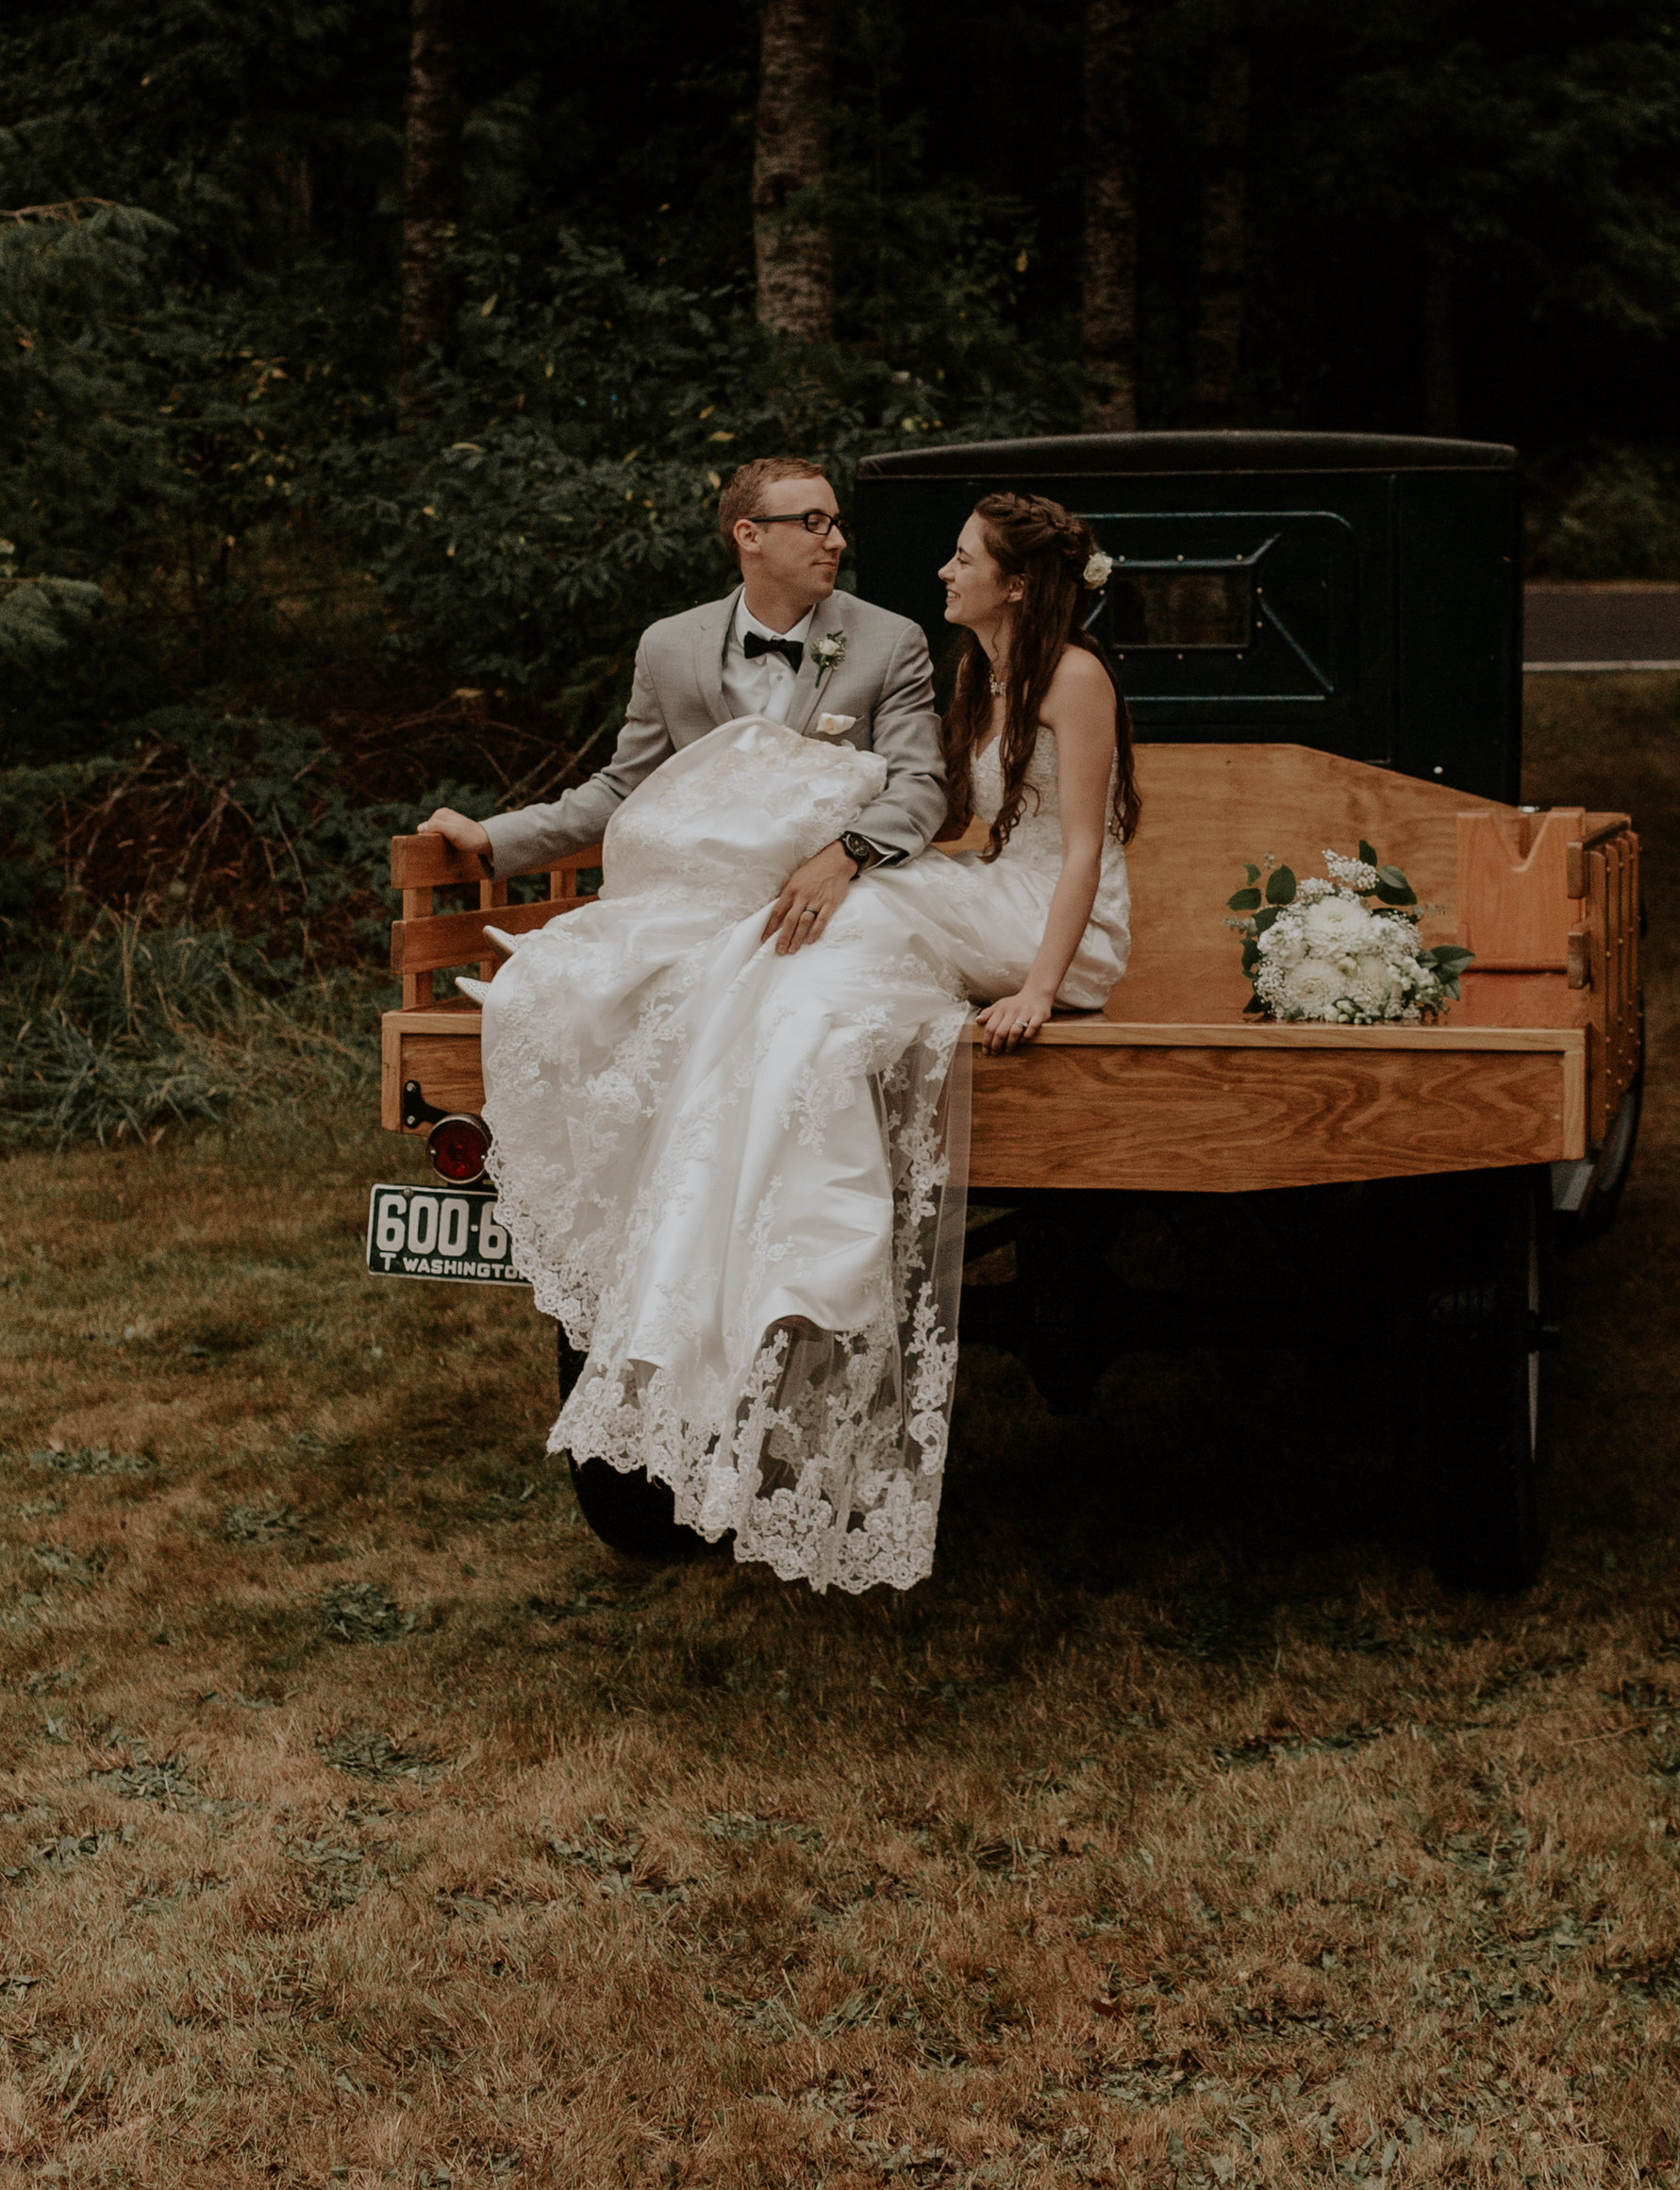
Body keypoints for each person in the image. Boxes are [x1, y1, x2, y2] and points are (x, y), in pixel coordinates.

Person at [465, 488, 1141, 1596]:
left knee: (835, 919)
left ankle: (822, 1227)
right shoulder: (977, 671)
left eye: (963, 556)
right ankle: (761, 1198)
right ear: (749, 532)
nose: (939, 570)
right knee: (804, 944)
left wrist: (1041, 986)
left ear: (1015, 582)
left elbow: (1076, 852)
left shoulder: (1072, 674)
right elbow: (930, 804)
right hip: (979, 890)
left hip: (1048, 923)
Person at [415, 455, 947, 939]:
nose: (835, 541)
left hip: (835, 894)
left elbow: (919, 784)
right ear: (749, 535)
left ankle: (564, 971)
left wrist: (843, 857)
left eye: (835, 524)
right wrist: (490, 833)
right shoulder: (667, 647)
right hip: (708, 898)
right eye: (813, 522)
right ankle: (557, 978)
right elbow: (624, 786)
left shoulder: (890, 640)